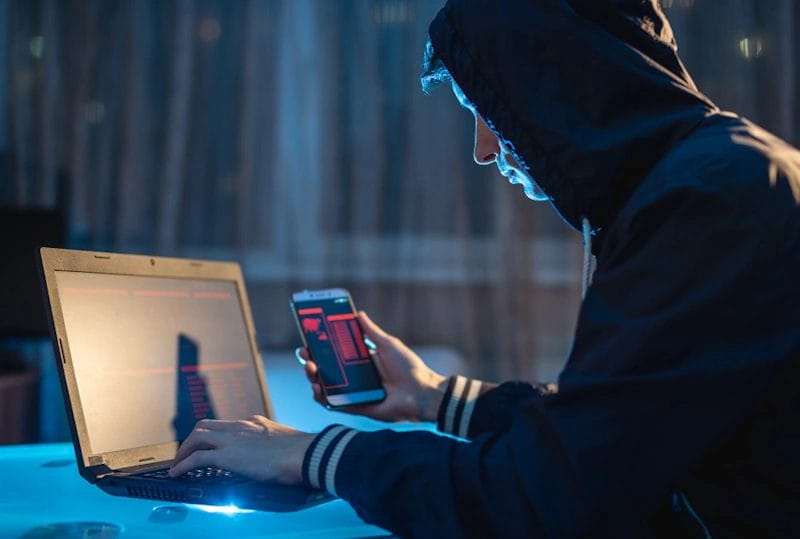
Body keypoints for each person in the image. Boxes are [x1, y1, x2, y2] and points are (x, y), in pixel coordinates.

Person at [170, 0, 800, 536]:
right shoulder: (719, 173)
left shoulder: (707, 205)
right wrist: (434, 396)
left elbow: (548, 496)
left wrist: (311, 453)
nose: (483, 149)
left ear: (559, 86)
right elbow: (616, 426)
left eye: (490, 111)